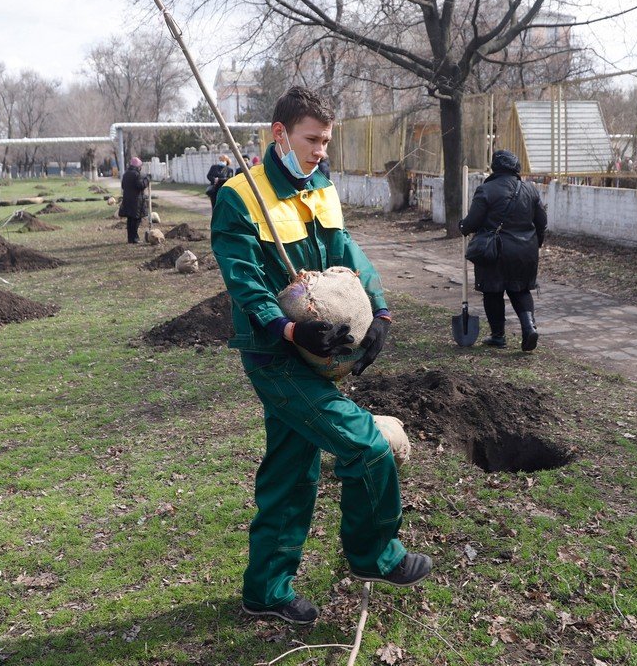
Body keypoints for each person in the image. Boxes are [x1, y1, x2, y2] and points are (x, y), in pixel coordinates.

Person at [211, 86, 431, 626]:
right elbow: (244, 281)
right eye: (312, 139)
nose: (319, 151)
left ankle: (265, 590)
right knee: (369, 447)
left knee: (291, 473)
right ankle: (373, 554)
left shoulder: (321, 188)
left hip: (314, 357)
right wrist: (288, 329)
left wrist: (379, 312)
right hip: (274, 358)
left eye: (326, 141)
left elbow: (347, 254)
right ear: (278, 134)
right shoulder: (242, 196)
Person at [458, 149, 547, 351]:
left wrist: (462, 226)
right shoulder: (530, 190)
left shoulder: (486, 190)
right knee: (521, 290)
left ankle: (498, 336)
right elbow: (542, 223)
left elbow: (472, 222)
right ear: (516, 168)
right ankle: (529, 327)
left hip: (494, 252)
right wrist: (535, 245)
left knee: (493, 291)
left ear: (495, 167)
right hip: (526, 251)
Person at [118, 157, 150, 244]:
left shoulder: (126, 174)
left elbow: (123, 186)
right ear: (138, 166)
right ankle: (135, 238)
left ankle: (130, 238)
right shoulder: (136, 174)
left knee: (130, 220)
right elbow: (140, 185)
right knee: (136, 219)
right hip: (136, 201)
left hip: (127, 199)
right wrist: (147, 180)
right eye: (140, 166)